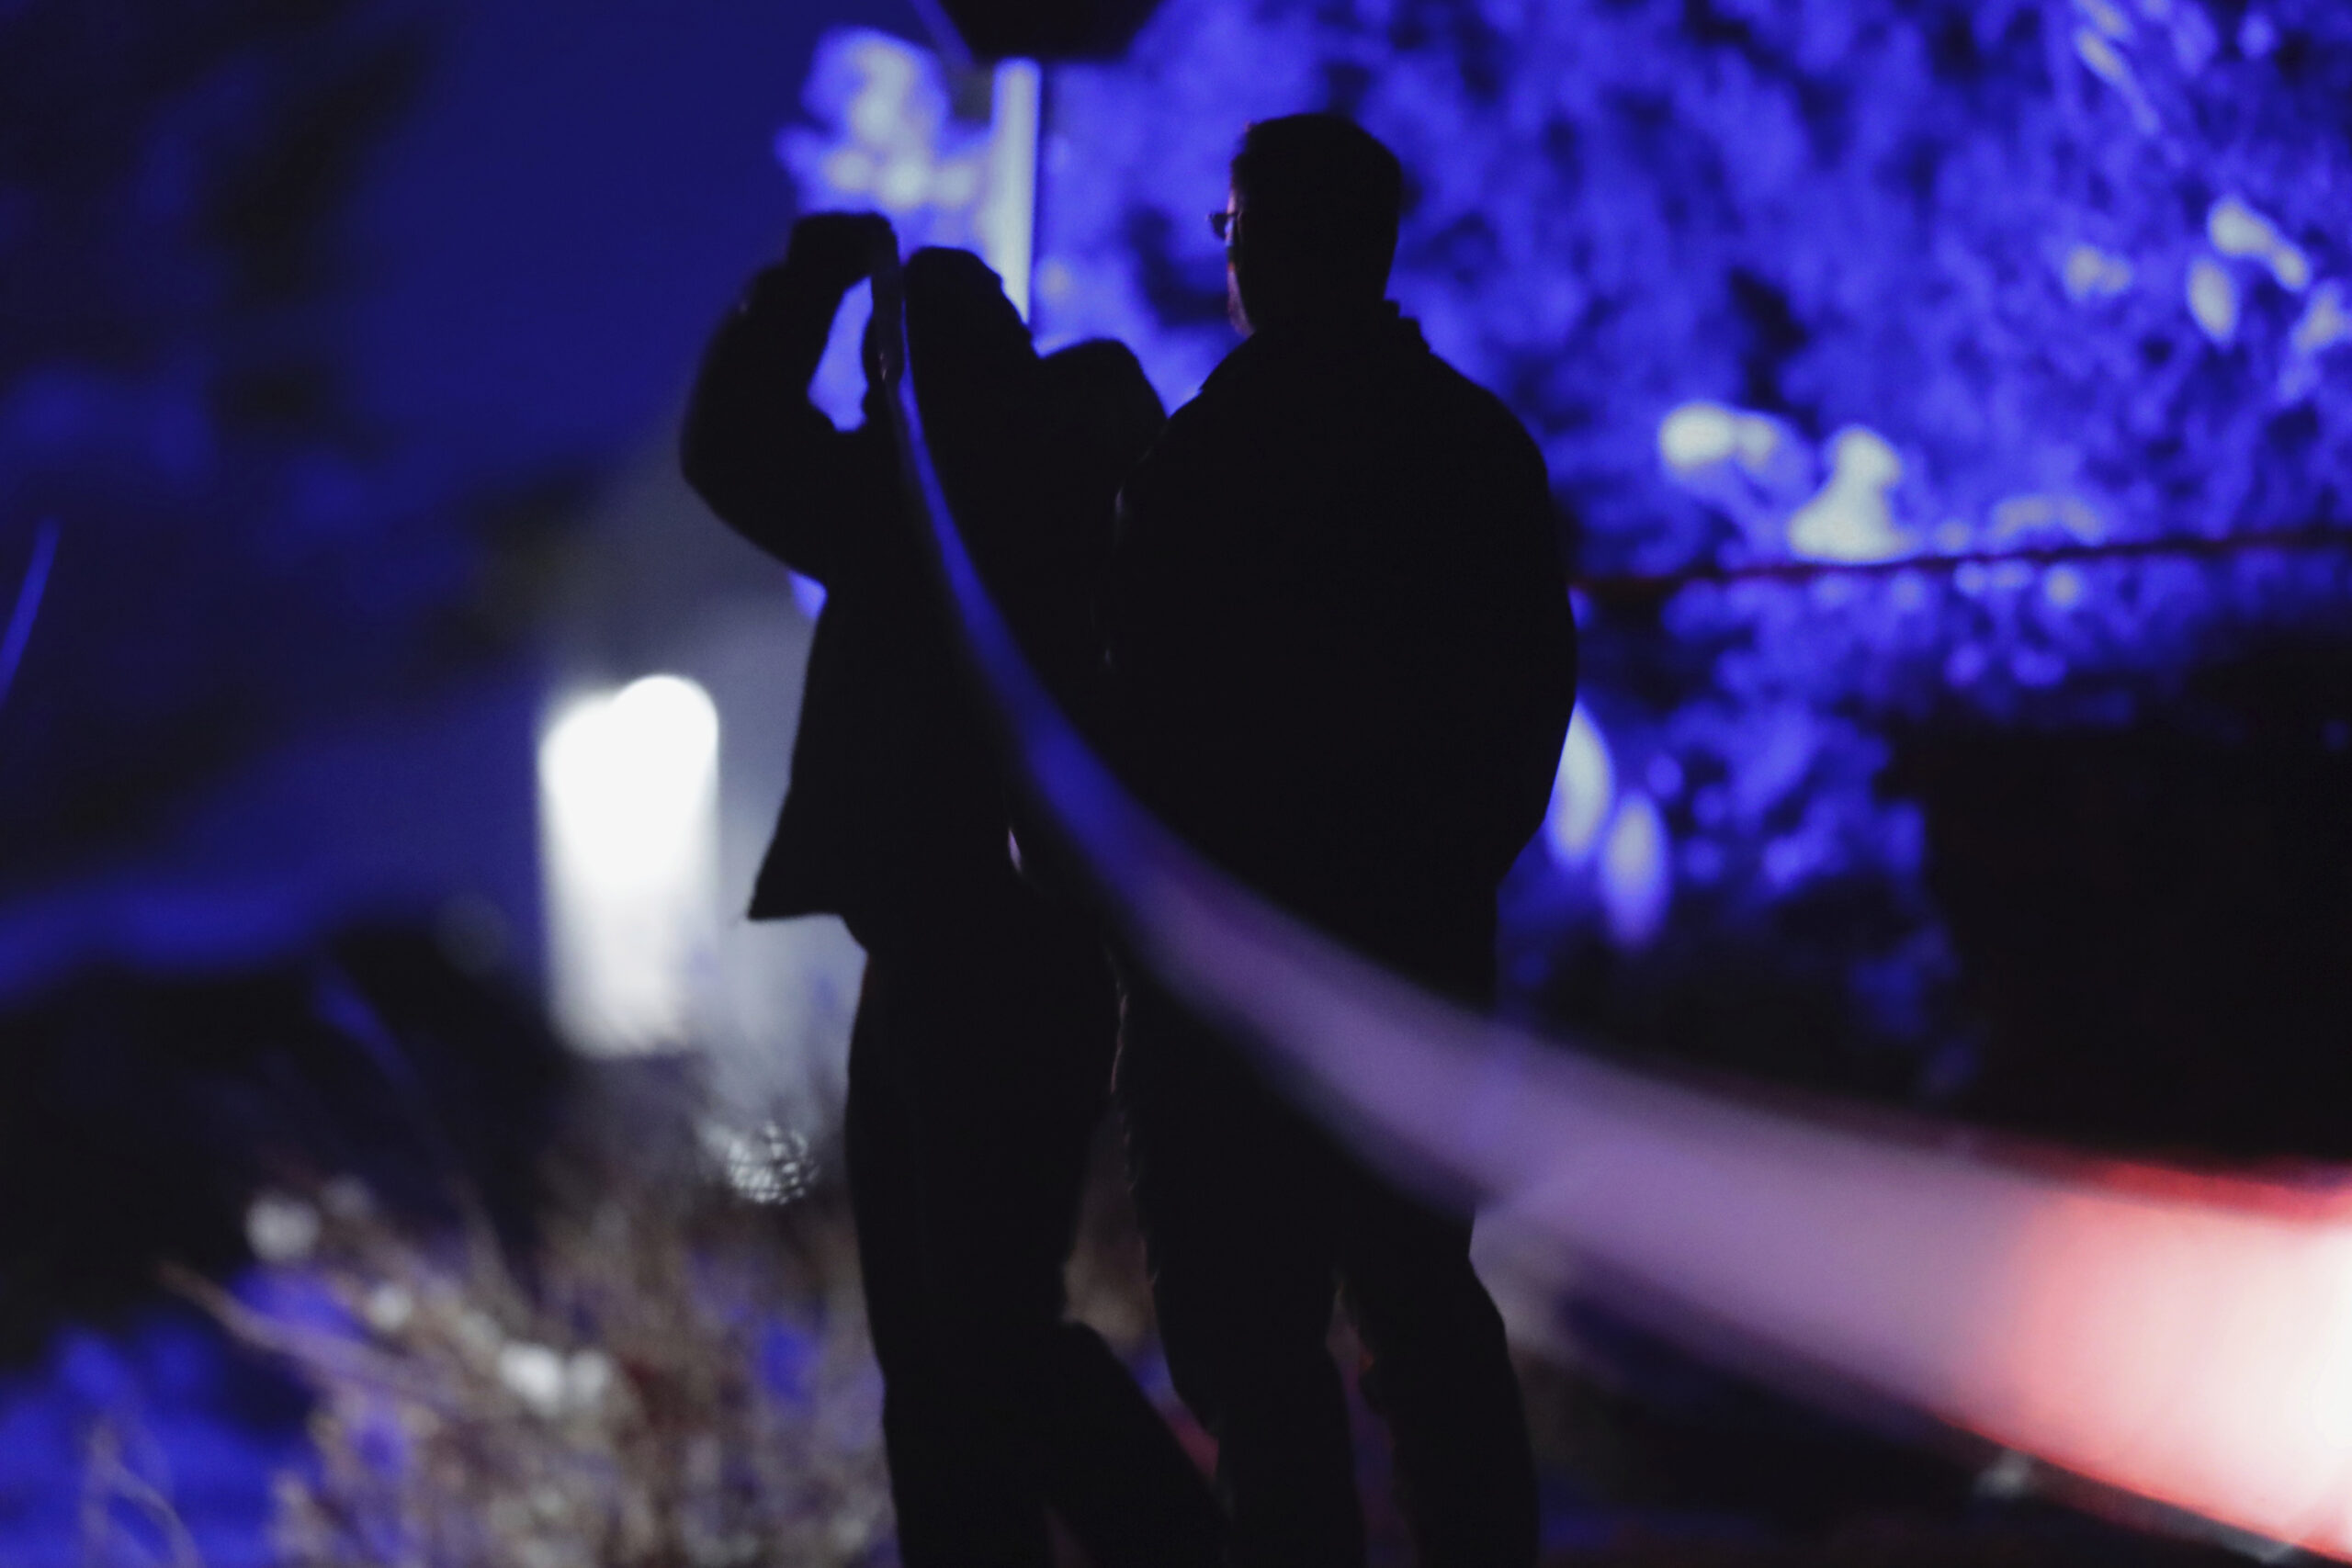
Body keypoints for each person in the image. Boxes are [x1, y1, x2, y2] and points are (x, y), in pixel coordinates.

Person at [682, 212, 1218, 1568]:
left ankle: (1179, 1550)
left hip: (964, 956)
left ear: (899, 375)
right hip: (1023, 952)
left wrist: (807, 282)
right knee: (958, 1340)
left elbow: (730, 446)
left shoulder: (922, 496)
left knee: (964, 1344)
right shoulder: (1081, 482)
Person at [1097, 115, 1577, 1567]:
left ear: (1260, 246)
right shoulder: (1471, 445)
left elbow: (1145, 711)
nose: (1226, 257)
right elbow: (1527, 697)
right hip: (1414, 943)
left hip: (1233, 965)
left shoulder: (1206, 460)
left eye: (1232, 229)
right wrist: (1446, 874)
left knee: (1252, 1340)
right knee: (1423, 1305)